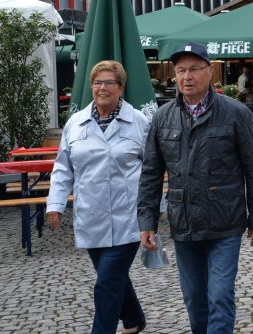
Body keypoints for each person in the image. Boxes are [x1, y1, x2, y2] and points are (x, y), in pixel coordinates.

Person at [137, 42, 253, 334]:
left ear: (211, 72)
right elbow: (150, 172)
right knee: (195, 299)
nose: (187, 76)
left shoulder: (236, 113)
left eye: (195, 69)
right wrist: (147, 220)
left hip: (226, 220)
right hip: (184, 222)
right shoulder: (163, 117)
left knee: (220, 295)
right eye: (181, 70)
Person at [46, 60, 149, 334]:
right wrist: (55, 205)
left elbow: (153, 169)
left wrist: (154, 210)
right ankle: (134, 319)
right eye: (97, 82)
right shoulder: (76, 123)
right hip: (90, 216)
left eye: (108, 82)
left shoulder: (139, 122)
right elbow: (62, 167)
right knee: (112, 276)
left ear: (121, 87)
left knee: (106, 282)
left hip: (128, 218)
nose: (102, 88)